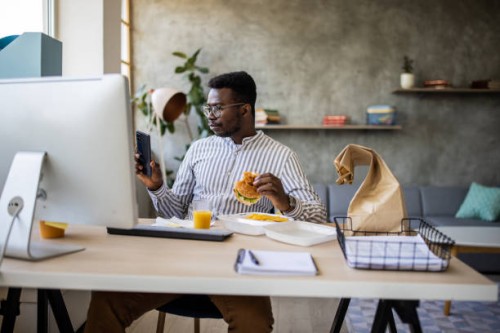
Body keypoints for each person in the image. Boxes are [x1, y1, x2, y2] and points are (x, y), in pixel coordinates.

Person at [84, 71, 326, 333]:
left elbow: (318, 216)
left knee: (255, 324)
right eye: (208, 107)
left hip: (237, 266)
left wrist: (285, 201)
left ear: (245, 109)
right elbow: (174, 211)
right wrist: (156, 187)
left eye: (218, 108)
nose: (210, 114)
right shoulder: (199, 149)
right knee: (106, 299)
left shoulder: (281, 156)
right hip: (181, 257)